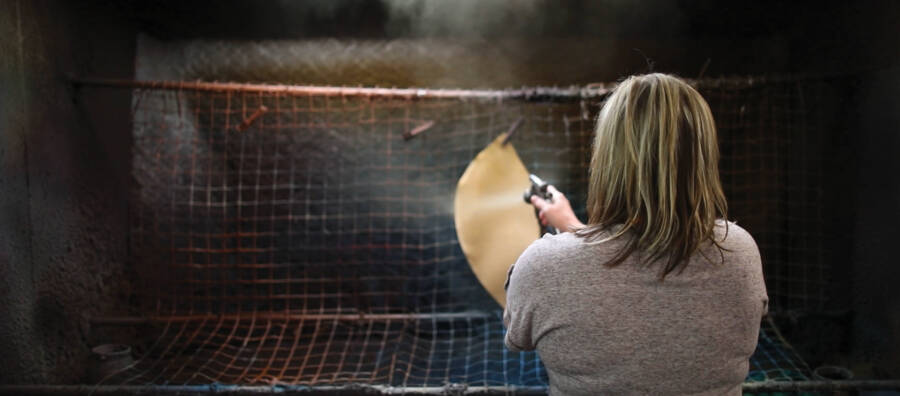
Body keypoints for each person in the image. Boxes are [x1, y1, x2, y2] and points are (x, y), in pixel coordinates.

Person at [503, 73, 768, 395]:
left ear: (606, 155)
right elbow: (645, 271)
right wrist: (572, 227)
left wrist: (566, 241)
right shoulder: (740, 250)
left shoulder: (542, 266)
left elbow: (519, 335)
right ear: (702, 154)